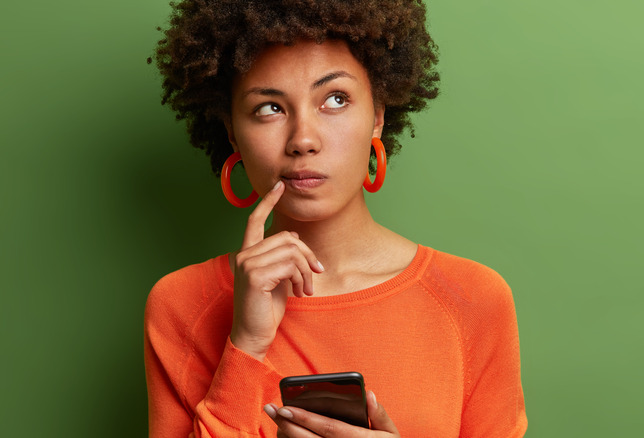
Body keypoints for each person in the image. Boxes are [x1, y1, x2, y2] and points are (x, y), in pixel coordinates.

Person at [144, 0, 527, 436]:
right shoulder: (181, 306)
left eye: (335, 99)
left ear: (378, 117)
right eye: (269, 107)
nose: (303, 140)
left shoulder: (473, 299)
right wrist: (246, 346)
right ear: (232, 131)